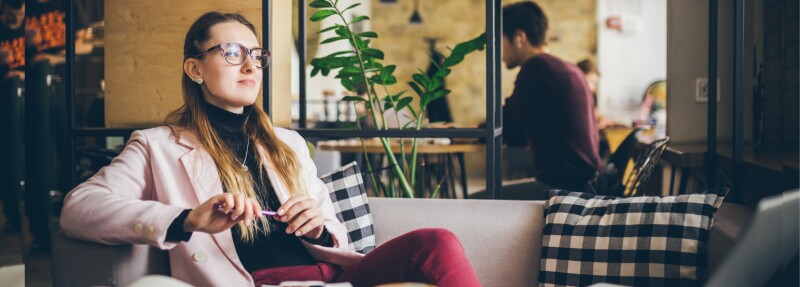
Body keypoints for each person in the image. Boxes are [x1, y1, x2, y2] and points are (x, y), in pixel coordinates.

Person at [60, 12, 480, 287]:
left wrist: (317, 226)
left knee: (436, 241)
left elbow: (337, 235)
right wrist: (186, 219)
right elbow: (79, 208)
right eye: (231, 53)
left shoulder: (288, 143)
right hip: (262, 280)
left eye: (256, 55)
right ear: (195, 68)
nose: (249, 65)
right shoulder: (157, 145)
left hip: (332, 276)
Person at [500, 1, 601, 196]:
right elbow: (519, 129)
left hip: (566, 191)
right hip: (586, 184)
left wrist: (463, 133)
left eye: (499, 40)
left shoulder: (536, 68)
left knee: (473, 203)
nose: (496, 50)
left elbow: (508, 125)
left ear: (520, 37)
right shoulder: (568, 67)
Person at [0, 0, 25, 234]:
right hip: (4, 108)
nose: (14, 19)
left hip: (31, 107)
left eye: (19, 14)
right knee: (6, 163)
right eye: (10, 14)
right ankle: (12, 217)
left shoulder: (31, 29)